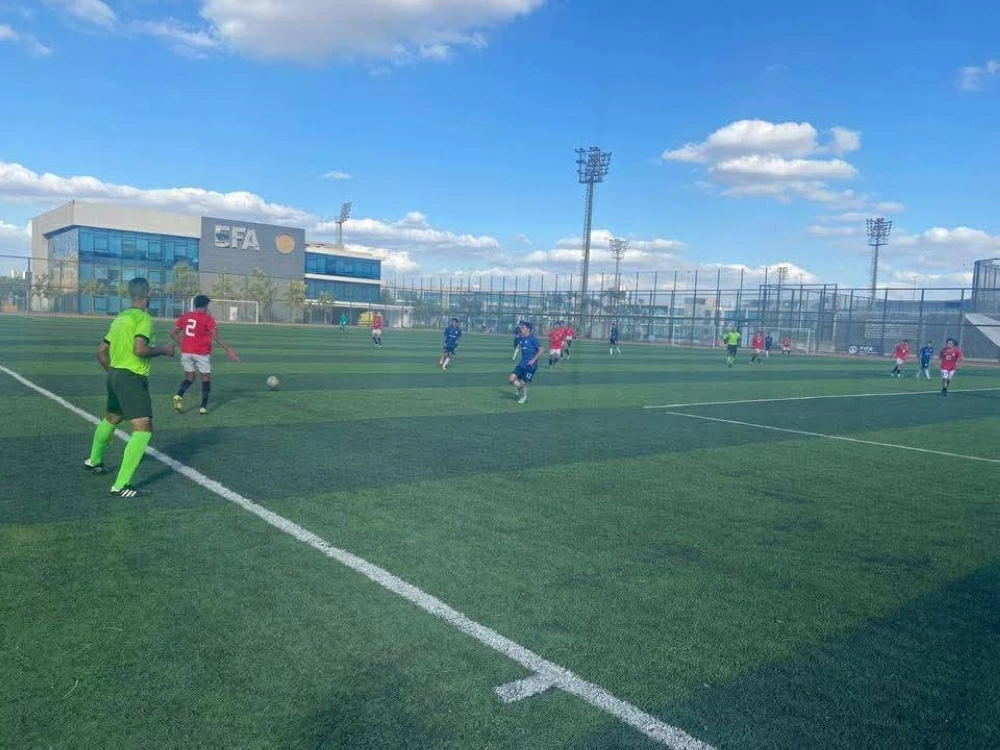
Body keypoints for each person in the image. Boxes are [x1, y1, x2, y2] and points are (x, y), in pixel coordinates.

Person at [84, 277, 175, 498]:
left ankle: (94, 461)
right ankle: (121, 485)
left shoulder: (120, 318)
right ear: (148, 294)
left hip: (114, 375)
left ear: (130, 295)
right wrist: (164, 349)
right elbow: (139, 350)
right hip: (131, 378)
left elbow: (100, 353)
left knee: (112, 418)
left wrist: (115, 374)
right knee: (144, 428)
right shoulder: (143, 318)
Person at [171, 295, 239, 415]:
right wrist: (229, 350)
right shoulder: (208, 319)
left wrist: (183, 343)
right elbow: (216, 337)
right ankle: (203, 407)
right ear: (206, 305)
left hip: (186, 352)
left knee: (189, 377)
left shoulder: (186, 316)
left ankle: (179, 395)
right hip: (201, 352)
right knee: (205, 378)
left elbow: (173, 333)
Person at [509, 321, 541, 404]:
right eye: (521, 327)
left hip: (531, 366)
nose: (521, 329)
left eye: (523, 328)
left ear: (528, 329)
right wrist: (517, 343)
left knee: (522, 383)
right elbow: (518, 346)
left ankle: (523, 396)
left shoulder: (533, 339)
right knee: (511, 379)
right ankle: (521, 388)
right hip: (522, 363)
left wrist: (533, 360)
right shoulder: (522, 338)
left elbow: (541, 350)